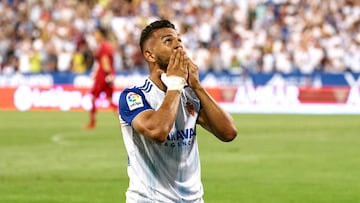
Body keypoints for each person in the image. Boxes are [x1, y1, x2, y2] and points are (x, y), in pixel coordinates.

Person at [118, 19, 238, 202]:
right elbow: (158, 131)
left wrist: (197, 86)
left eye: (179, 40)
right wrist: (175, 84)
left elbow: (228, 132)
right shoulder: (134, 96)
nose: (178, 46)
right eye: (168, 41)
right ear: (149, 55)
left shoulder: (189, 93)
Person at [86, 26, 116, 129]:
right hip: (107, 75)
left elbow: (105, 62)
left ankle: (92, 122)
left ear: (101, 35)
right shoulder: (108, 46)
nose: (95, 36)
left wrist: (107, 75)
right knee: (110, 100)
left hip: (102, 76)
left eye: (96, 33)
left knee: (94, 98)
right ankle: (124, 121)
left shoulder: (103, 47)